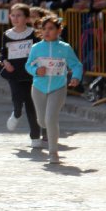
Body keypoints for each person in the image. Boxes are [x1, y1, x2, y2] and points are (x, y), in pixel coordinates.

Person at [26, 14, 83, 164]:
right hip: (38, 88)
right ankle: (48, 127)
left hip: (58, 88)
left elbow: (76, 65)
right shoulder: (36, 48)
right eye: (44, 28)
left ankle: (53, 152)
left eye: (51, 28)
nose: (47, 31)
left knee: (50, 119)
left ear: (59, 30)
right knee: (42, 121)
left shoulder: (65, 48)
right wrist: (36, 70)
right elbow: (28, 65)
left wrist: (76, 77)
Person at [0, 3, 44, 147]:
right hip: (13, 72)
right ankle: (16, 113)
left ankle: (35, 137)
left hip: (30, 73)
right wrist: (5, 63)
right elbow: (3, 54)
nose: (15, 18)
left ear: (27, 18)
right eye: (13, 15)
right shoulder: (7, 35)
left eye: (19, 15)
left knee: (31, 104)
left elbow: (40, 52)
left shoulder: (33, 34)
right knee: (17, 98)